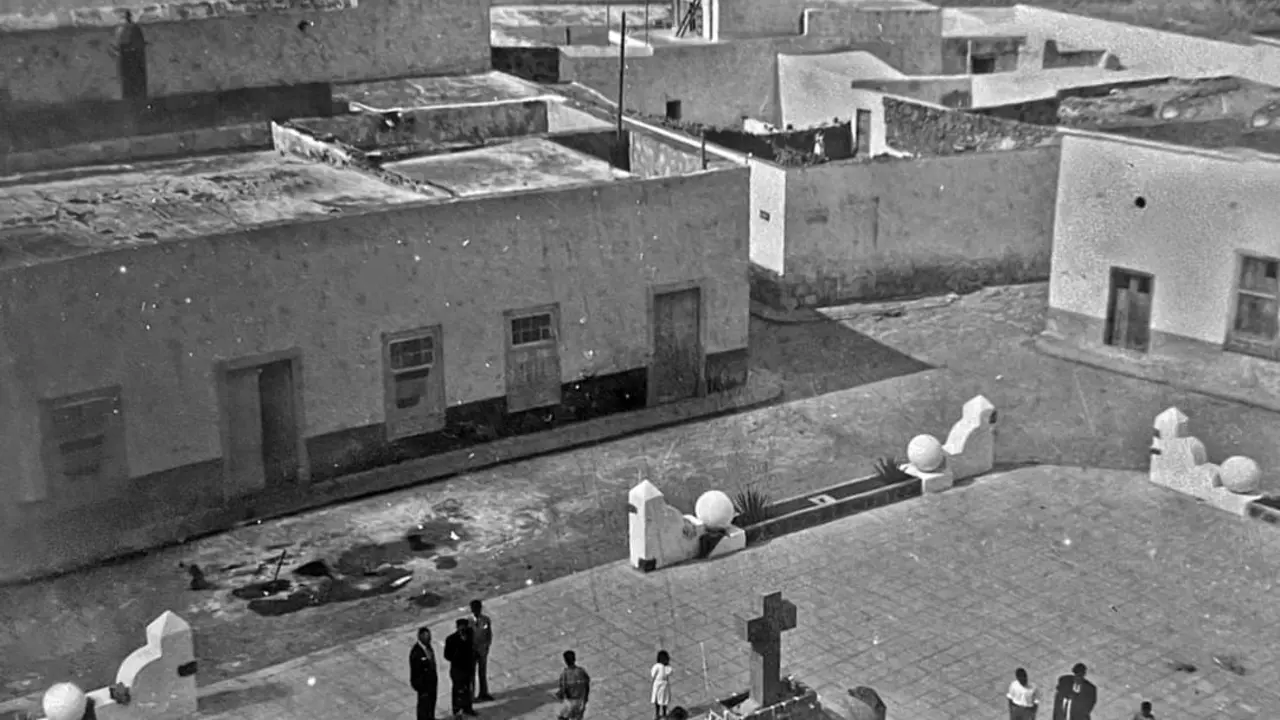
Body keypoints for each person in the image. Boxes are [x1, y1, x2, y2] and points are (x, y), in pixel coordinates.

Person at [443, 618, 477, 717]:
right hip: (457, 669)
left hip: (468, 668)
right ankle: (457, 710)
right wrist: (456, 655)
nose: (463, 629)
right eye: (461, 627)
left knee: (468, 689)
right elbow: (447, 655)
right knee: (457, 690)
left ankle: (467, 708)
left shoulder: (470, 636)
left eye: (464, 627)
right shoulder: (451, 639)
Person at [409, 627, 439, 720]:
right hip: (423, 687)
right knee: (423, 708)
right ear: (420, 637)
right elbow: (415, 672)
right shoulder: (416, 652)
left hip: (432, 683)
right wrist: (421, 688)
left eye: (429, 636)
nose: (429, 638)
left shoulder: (429, 647)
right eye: (426, 636)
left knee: (431, 705)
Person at [470, 600, 494, 702]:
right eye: (475, 609)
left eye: (478, 609)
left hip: (482, 651)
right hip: (472, 652)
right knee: (471, 674)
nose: (477, 611)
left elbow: (489, 634)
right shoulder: (468, 622)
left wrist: (487, 646)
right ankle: (471, 696)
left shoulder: (486, 620)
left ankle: (483, 693)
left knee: (482, 672)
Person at [556, 650, 591, 720]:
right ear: (575, 659)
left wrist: (559, 695)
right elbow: (587, 684)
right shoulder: (581, 671)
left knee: (562, 717)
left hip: (571, 701)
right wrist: (585, 699)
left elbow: (563, 689)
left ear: (565, 661)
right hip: (581, 701)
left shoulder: (565, 674)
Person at [651, 650, 673, 719]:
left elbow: (653, 674)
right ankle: (662, 714)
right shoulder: (666, 667)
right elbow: (670, 672)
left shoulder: (657, 666)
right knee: (663, 700)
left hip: (659, 685)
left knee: (659, 700)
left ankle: (658, 714)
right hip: (663, 685)